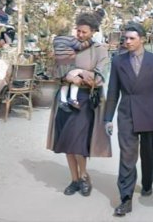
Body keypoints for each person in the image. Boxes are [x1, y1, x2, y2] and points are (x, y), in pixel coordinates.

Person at [104, 23, 153, 216]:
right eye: (125, 38)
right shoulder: (118, 61)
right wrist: (108, 118)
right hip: (127, 114)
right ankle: (125, 198)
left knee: (148, 155)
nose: (127, 42)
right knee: (127, 157)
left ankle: (147, 183)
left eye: (132, 38)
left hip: (151, 113)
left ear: (142, 39)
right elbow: (112, 91)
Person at [46, 12, 111, 198]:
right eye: (78, 30)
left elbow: (99, 78)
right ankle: (74, 179)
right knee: (66, 140)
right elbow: (54, 69)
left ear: (93, 31)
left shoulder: (100, 50)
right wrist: (64, 75)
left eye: (84, 32)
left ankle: (84, 176)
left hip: (84, 100)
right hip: (65, 99)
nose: (80, 35)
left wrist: (81, 73)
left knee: (78, 141)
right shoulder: (68, 44)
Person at [53, 19, 94, 111]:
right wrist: (90, 42)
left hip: (59, 65)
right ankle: (73, 98)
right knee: (75, 79)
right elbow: (80, 46)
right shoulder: (70, 39)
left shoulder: (55, 39)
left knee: (65, 83)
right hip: (68, 63)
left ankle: (63, 101)